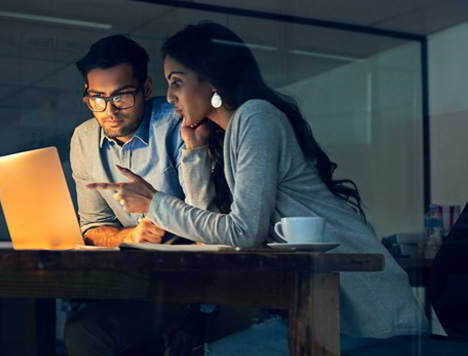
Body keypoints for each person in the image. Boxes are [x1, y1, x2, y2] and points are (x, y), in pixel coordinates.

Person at [87, 22, 429, 355]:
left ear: (212, 80)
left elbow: (244, 231)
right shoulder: (229, 134)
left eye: (177, 82)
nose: (171, 96)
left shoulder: (256, 117)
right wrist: (193, 152)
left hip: (372, 321)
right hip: (323, 316)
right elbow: (211, 235)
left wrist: (154, 203)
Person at [64, 34, 209, 356]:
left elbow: (210, 219)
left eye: (122, 96)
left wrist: (198, 313)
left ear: (145, 89)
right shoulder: (84, 141)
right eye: (97, 98)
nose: (109, 111)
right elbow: (92, 228)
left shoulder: (178, 123)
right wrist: (132, 234)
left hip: (198, 285)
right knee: (82, 331)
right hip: (137, 286)